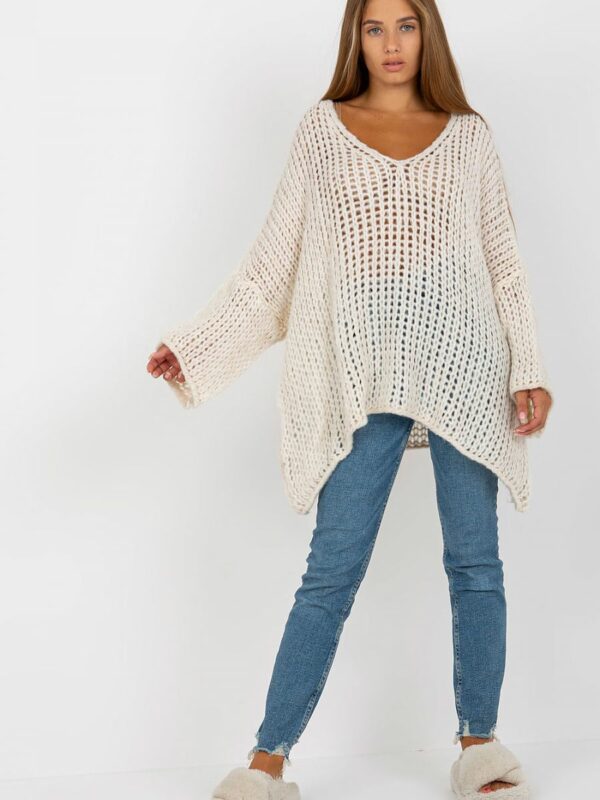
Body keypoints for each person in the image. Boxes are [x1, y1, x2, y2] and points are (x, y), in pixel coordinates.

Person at [147, 1, 553, 797]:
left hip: (465, 366)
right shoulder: (322, 132)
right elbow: (272, 267)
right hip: (359, 377)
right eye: (374, 28)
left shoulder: (469, 136)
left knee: (476, 564)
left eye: (406, 25)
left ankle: (480, 747)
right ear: (355, 39)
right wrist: (196, 345)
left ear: (427, 34)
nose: (391, 43)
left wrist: (528, 367)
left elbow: (503, 260)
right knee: (330, 573)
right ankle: (268, 761)